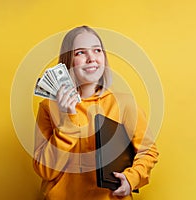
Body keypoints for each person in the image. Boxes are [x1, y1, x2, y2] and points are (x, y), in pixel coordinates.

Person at [33, 25, 159, 200]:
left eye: (97, 50)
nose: (91, 58)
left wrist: (131, 179)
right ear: (67, 61)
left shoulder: (124, 104)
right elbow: (45, 171)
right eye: (80, 53)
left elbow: (148, 152)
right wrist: (68, 121)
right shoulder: (49, 107)